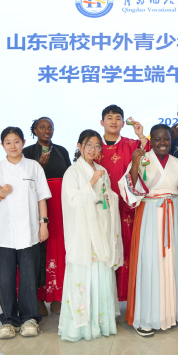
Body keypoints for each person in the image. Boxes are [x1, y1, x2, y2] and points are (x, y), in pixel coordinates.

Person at [118, 124, 178, 337]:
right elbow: (129, 190)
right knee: (149, 263)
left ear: (171, 140)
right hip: (149, 213)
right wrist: (134, 164)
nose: (162, 143)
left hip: (173, 214)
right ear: (152, 140)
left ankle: (168, 314)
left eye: (166, 139)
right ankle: (146, 317)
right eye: (157, 139)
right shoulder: (142, 159)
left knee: (171, 263)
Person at [0, 127, 51, 339]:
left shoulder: (33, 167)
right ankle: (9, 320)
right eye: (8, 142)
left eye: (16, 141)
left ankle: (30, 319)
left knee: (29, 277)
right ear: (2, 145)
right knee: (5, 279)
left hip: (29, 232)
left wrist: (44, 224)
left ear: (23, 143)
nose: (13, 146)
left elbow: (41, 197)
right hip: (4, 233)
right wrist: (2, 194)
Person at [58, 129, 123, 341]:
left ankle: (101, 323)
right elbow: (72, 202)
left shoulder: (102, 169)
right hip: (83, 232)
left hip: (100, 229)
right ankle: (81, 327)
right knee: (83, 275)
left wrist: (109, 197)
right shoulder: (72, 172)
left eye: (97, 146)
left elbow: (107, 196)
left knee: (101, 273)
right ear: (79, 146)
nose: (93, 150)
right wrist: (91, 183)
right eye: (89, 145)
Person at [96, 105, 149, 304]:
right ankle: (104, 300)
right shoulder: (94, 147)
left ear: (123, 122)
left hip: (126, 208)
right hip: (101, 208)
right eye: (109, 118)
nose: (114, 121)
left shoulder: (131, 144)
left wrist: (141, 135)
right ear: (102, 122)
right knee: (103, 250)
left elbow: (149, 157)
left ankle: (127, 297)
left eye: (118, 118)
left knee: (126, 250)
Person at [23, 117, 72, 316]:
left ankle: (58, 297)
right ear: (34, 130)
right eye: (42, 127)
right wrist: (39, 167)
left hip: (59, 206)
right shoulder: (27, 153)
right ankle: (39, 298)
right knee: (40, 250)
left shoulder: (61, 151)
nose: (47, 130)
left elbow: (69, 177)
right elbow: (26, 180)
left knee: (59, 249)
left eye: (50, 127)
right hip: (38, 206)